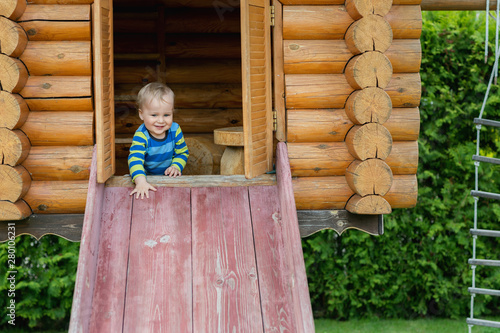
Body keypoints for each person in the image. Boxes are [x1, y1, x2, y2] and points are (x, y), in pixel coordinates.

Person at [128, 82, 189, 199]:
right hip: (147, 178)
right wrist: (140, 181)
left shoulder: (175, 130)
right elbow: (135, 159)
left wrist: (176, 166)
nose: (160, 120)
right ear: (141, 114)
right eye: (154, 115)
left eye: (166, 115)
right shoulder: (142, 135)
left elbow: (182, 153)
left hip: (170, 178)